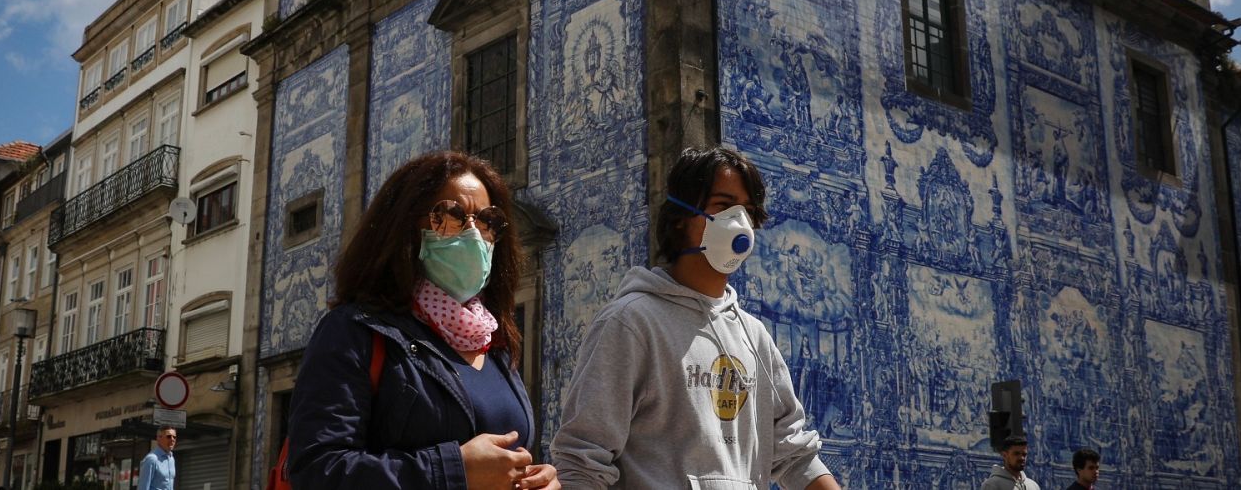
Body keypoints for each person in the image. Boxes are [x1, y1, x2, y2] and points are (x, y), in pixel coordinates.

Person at [552, 146, 841, 489]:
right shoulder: (631, 323)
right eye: (723, 205)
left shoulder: (755, 337)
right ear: (679, 218)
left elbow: (794, 455)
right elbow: (582, 462)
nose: (740, 223)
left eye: (748, 211)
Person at [287, 151, 558, 490]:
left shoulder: (494, 342)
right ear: (404, 226)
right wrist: (451, 471)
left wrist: (535, 480)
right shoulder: (354, 332)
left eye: (487, 221)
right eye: (450, 215)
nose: (474, 234)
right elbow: (316, 469)